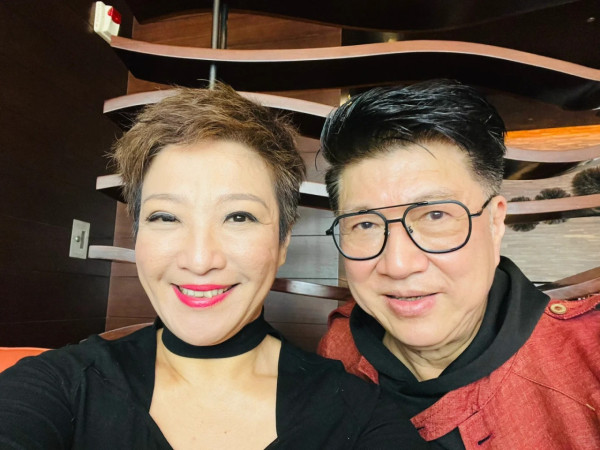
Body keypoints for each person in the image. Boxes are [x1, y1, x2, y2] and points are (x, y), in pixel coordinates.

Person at [0, 85, 428, 449]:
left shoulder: (358, 417)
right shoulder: (59, 385)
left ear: (283, 241)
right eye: (166, 217)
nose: (200, 259)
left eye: (238, 217)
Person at [317, 80, 600, 449]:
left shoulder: (587, 360)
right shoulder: (340, 344)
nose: (398, 265)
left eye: (435, 215)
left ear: (495, 223)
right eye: (366, 224)